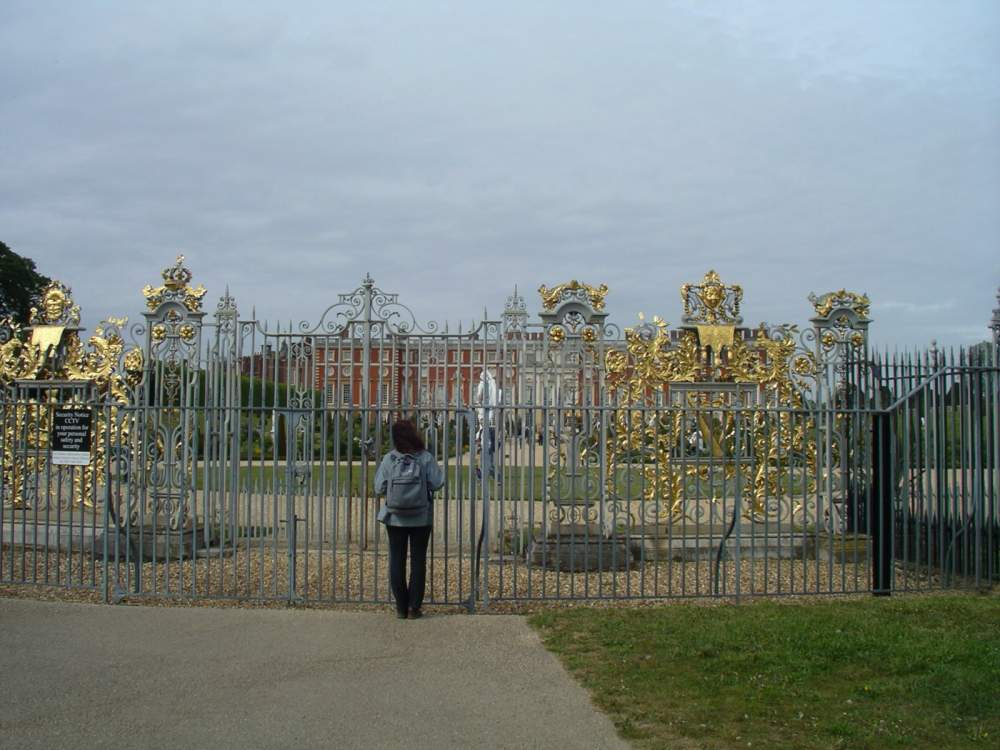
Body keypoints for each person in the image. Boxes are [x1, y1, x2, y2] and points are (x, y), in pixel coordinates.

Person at [375, 420, 444, 619]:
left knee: (397, 560)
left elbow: (379, 487)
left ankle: (400, 607)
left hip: (395, 517)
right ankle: (414, 607)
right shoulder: (425, 457)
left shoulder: (389, 459)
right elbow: (437, 483)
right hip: (421, 517)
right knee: (418, 561)